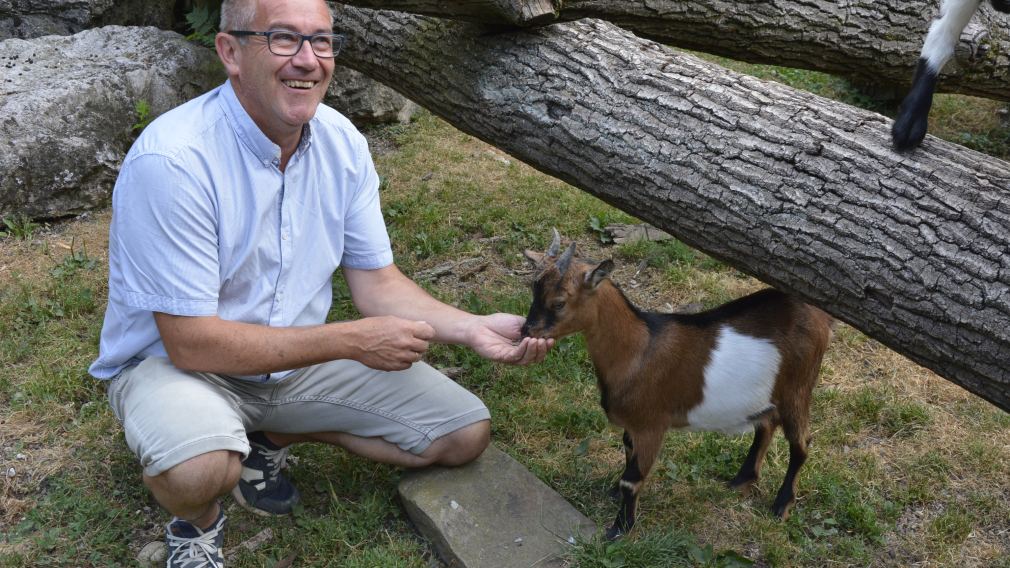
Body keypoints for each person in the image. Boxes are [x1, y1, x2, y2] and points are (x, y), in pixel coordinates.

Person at [88, 0, 553, 566]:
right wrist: (350, 341)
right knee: (196, 472)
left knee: (462, 434)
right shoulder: (174, 160)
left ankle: (269, 437)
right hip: (177, 366)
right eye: (283, 39)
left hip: (290, 359)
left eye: (323, 41)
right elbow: (191, 341)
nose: (308, 61)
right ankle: (200, 521)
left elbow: (378, 282)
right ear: (230, 52)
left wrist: (471, 327)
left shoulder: (341, 142)